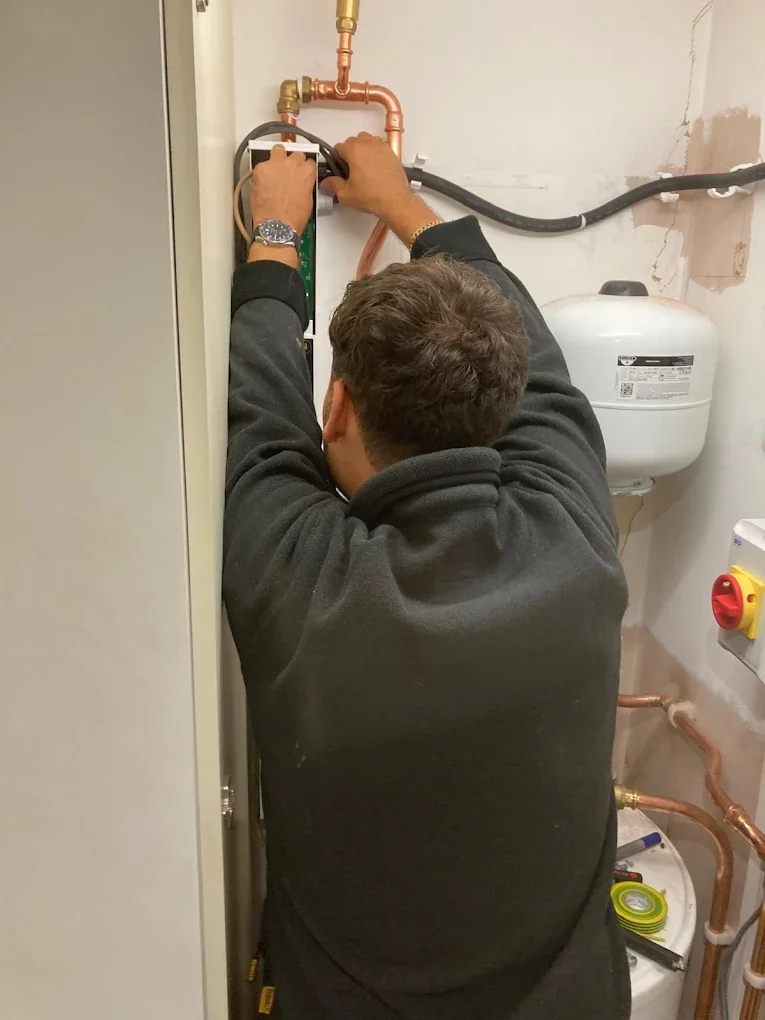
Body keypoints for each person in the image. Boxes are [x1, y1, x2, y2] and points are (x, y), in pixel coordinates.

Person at [223, 133, 630, 1019]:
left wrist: (275, 231)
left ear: (335, 408)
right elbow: (539, 361)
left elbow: (256, 406)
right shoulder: (573, 532)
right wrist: (403, 205)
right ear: (503, 404)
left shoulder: (297, 575)